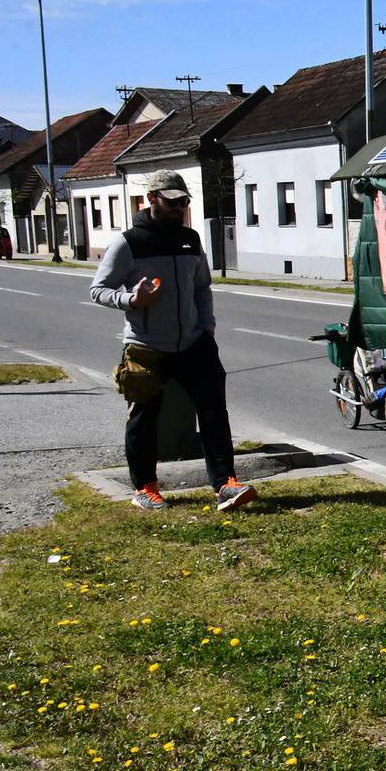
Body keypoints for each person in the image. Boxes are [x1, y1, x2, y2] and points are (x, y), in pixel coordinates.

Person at [89, 169, 254, 513]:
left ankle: (225, 483)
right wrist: (132, 300)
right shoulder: (129, 243)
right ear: (152, 199)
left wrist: (206, 327)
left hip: (194, 343)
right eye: (173, 201)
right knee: (144, 418)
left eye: (184, 201)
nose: (180, 207)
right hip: (146, 346)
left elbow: (201, 287)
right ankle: (145, 488)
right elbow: (98, 290)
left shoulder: (190, 239)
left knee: (213, 412)